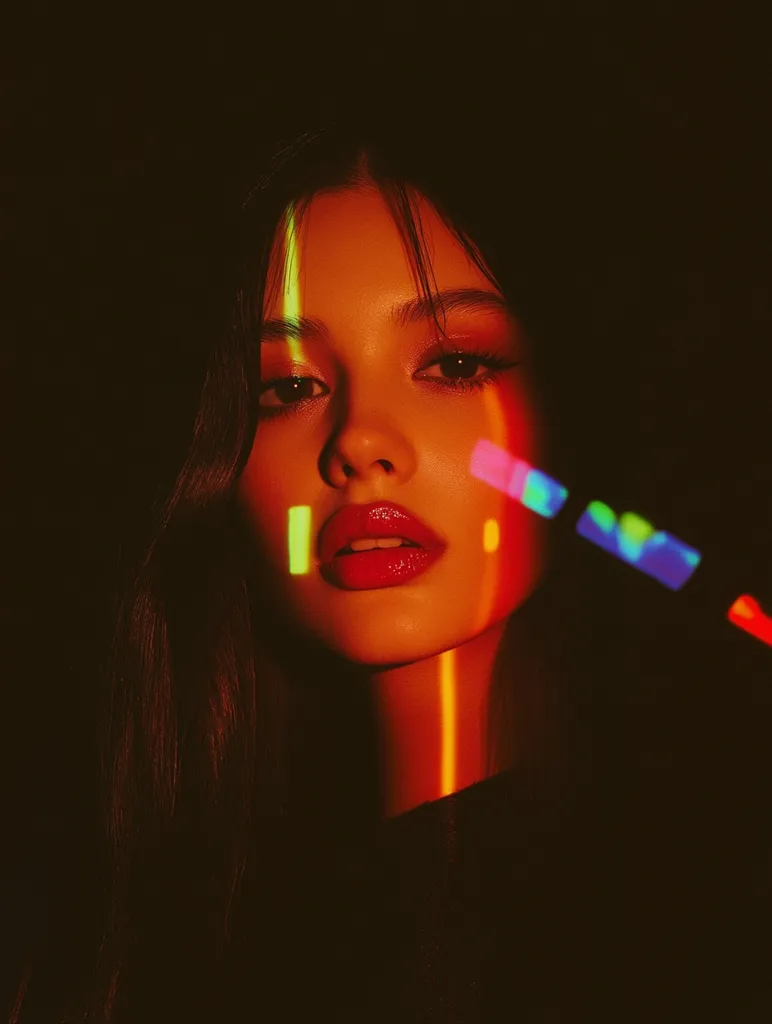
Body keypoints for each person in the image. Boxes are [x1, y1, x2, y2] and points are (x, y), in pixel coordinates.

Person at [12, 51, 764, 1023]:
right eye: (287, 387)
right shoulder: (131, 928)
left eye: (453, 362)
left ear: (585, 404)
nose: (360, 441)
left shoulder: (715, 906)